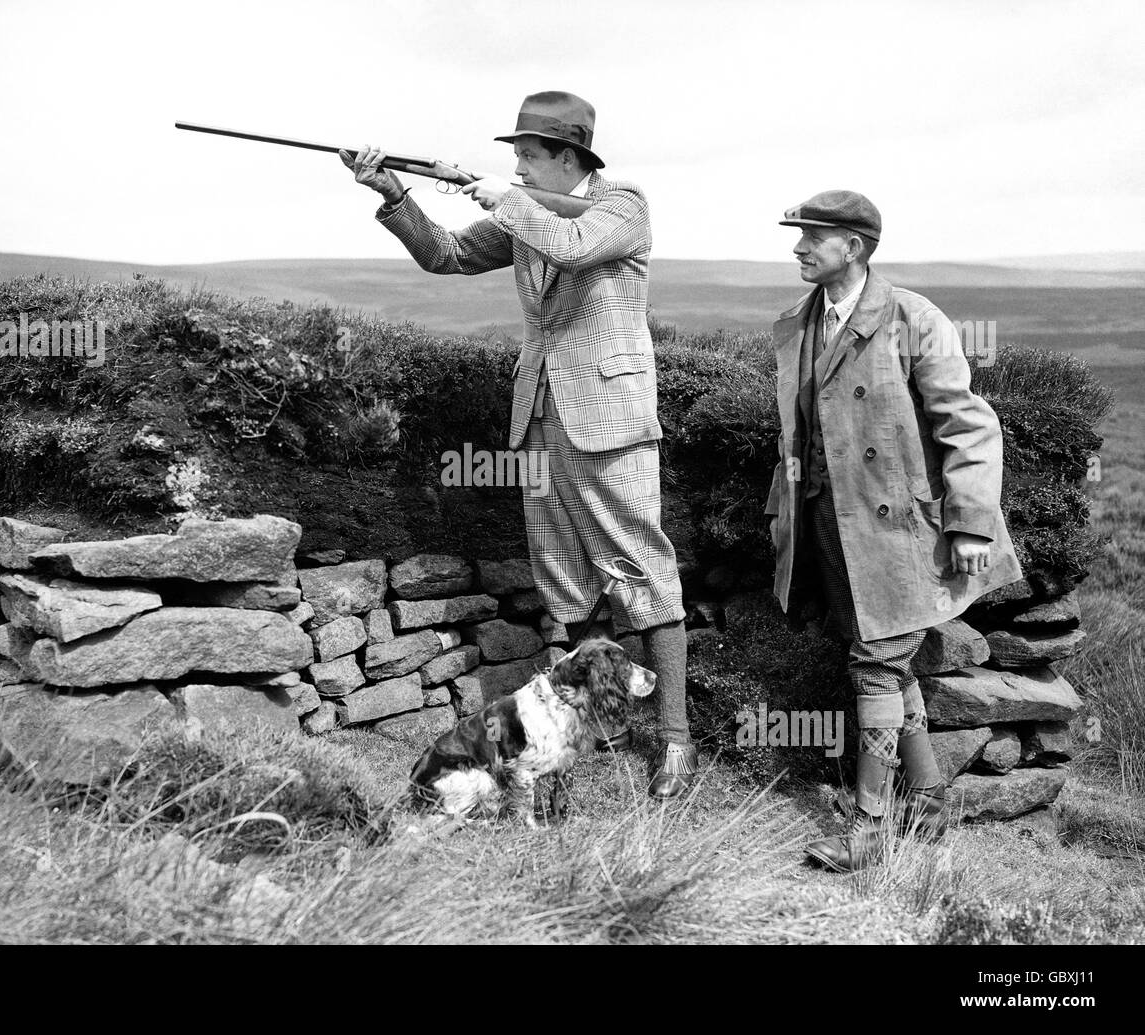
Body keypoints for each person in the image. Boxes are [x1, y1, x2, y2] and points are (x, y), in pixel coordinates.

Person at [343, 91, 695, 797]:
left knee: (643, 571)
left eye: (529, 157)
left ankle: (675, 738)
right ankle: (586, 721)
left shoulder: (623, 204)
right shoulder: (529, 209)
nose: (519, 168)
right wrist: (394, 193)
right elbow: (444, 255)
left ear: (568, 157)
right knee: (560, 573)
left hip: (611, 417)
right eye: (515, 160)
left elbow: (573, 242)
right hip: (538, 413)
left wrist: (502, 196)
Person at [765, 190, 1023, 870]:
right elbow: (792, 433)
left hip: (899, 531)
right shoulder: (797, 322)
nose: (797, 247)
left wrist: (970, 523)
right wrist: (781, 513)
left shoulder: (912, 317)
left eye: (811, 237)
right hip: (827, 524)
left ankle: (871, 825)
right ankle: (931, 803)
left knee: (874, 664)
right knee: (883, 657)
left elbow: (968, 426)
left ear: (851, 246)